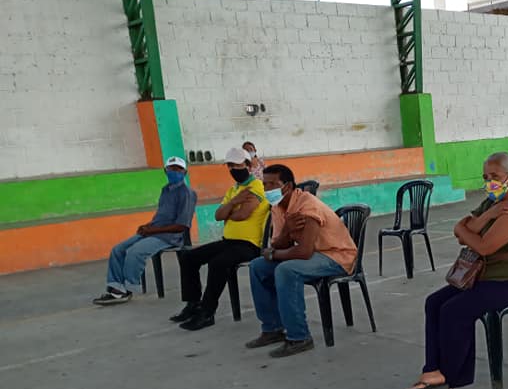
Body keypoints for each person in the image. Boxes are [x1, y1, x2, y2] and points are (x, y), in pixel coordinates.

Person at [401, 152, 508, 389]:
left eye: (495, 176)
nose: (489, 182)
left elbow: (483, 246)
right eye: (485, 177)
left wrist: (467, 231)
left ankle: (449, 377)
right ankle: (432, 369)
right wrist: (487, 217)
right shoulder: (492, 204)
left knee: (454, 310)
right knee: (434, 302)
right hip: (481, 278)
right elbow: (461, 230)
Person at [245, 164, 358, 357]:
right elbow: (279, 244)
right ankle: (272, 329)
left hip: (335, 255)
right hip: (315, 254)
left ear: (287, 186)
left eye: (272, 184)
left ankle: (299, 338)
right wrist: (286, 231)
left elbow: (303, 252)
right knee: (258, 266)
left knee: (286, 270)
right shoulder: (277, 207)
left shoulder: (307, 204)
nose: (267, 189)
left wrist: (273, 254)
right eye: (265, 185)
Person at [170, 147, 270, 331]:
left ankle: (207, 313)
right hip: (229, 241)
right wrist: (234, 202)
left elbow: (243, 214)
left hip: (249, 244)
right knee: (189, 257)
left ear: (248, 166)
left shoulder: (256, 186)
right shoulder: (234, 190)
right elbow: (218, 215)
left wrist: (229, 211)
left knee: (218, 263)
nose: (233, 169)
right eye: (230, 166)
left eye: (237, 165)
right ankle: (193, 304)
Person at [93, 157, 196, 306]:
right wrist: (147, 226)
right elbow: (162, 216)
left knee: (135, 252)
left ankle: (127, 289)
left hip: (170, 236)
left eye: (178, 169)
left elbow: (182, 226)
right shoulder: (166, 190)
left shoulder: (187, 193)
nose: (174, 172)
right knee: (118, 250)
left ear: (185, 172)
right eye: (171, 169)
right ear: (165, 171)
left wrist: (152, 230)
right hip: (155, 231)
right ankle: (116, 287)